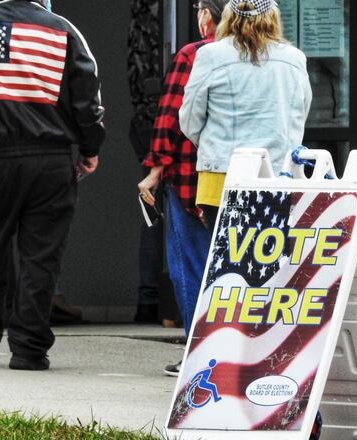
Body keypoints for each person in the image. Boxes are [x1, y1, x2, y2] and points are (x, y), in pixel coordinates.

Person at [0, 0, 104, 370]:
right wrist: (89, 148)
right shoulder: (62, 28)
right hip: (51, 160)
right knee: (40, 256)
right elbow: (87, 100)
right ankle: (29, 350)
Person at [138, 0, 227, 377]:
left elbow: (171, 118)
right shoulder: (267, 57)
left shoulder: (195, 54)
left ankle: (198, 355)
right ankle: (234, 351)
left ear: (207, 15)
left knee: (190, 265)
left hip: (193, 180)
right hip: (248, 179)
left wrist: (155, 171)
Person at [179, 0, 311, 228]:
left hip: (221, 175)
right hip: (278, 174)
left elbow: (189, 118)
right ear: (274, 18)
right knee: (270, 255)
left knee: (224, 258)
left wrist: (213, 145)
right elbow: (301, 111)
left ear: (229, 17)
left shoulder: (209, 55)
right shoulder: (294, 58)